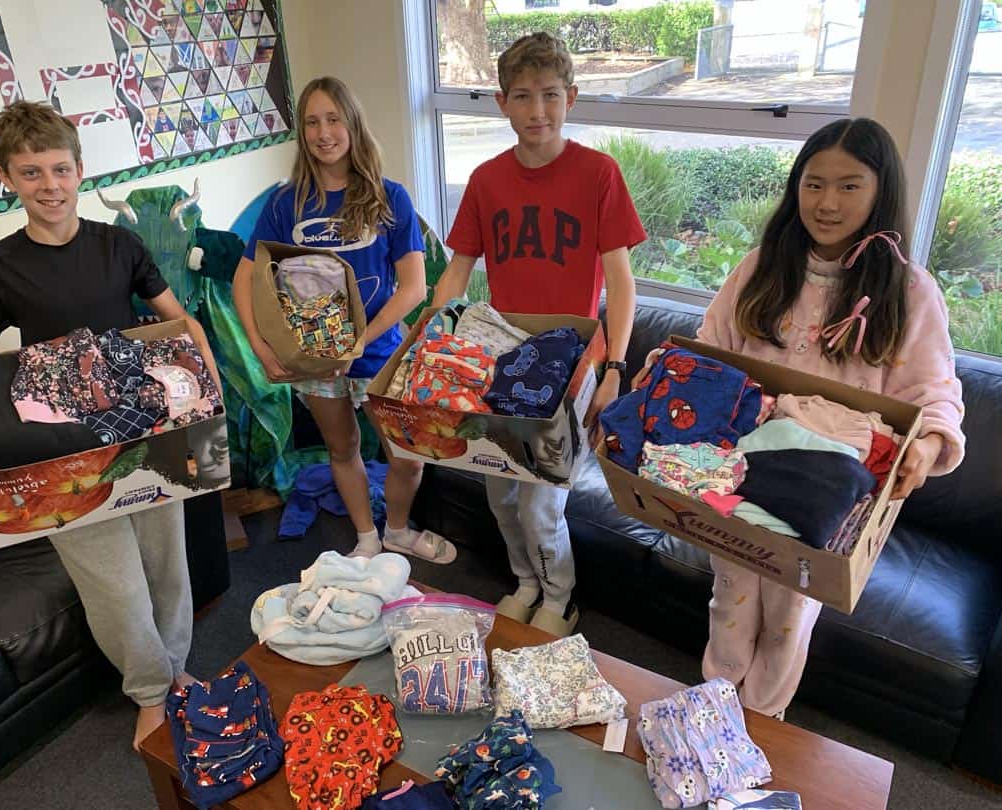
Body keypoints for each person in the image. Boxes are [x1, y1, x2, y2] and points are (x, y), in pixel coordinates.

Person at [0, 100, 222, 750]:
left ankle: (178, 675)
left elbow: (175, 322)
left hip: (142, 434)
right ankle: (150, 693)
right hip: (60, 458)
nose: (50, 186)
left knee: (166, 569)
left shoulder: (119, 244)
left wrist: (209, 388)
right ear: (6, 178)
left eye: (59, 169)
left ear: (80, 170)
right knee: (116, 590)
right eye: (30, 173)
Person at [681, 117, 965, 718]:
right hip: (743, 476)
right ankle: (712, 709)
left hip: (828, 498)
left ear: (880, 190)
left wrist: (930, 442)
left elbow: (936, 391)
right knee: (729, 597)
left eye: (849, 186)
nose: (827, 203)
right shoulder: (761, 267)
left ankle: (761, 721)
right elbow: (709, 348)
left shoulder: (910, 291)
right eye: (813, 184)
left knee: (788, 618)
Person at [431, 33, 646, 637]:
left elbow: (621, 284)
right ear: (501, 102)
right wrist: (426, 341)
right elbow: (456, 271)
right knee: (499, 490)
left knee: (541, 496)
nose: (536, 111)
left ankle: (560, 596)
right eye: (522, 97)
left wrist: (615, 371)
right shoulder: (485, 180)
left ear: (571, 98)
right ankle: (523, 582)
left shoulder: (599, 175)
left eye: (550, 95)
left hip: (574, 361)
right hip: (502, 358)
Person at [233, 76, 457, 564]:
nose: (323, 132)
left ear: (353, 125)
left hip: (378, 353)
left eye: (333, 119)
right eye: (312, 122)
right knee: (342, 449)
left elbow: (414, 288)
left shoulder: (389, 196)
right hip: (314, 360)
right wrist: (261, 348)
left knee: (407, 456)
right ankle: (367, 539)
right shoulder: (284, 203)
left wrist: (357, 345)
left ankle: (397, 531)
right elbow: (245, 279)